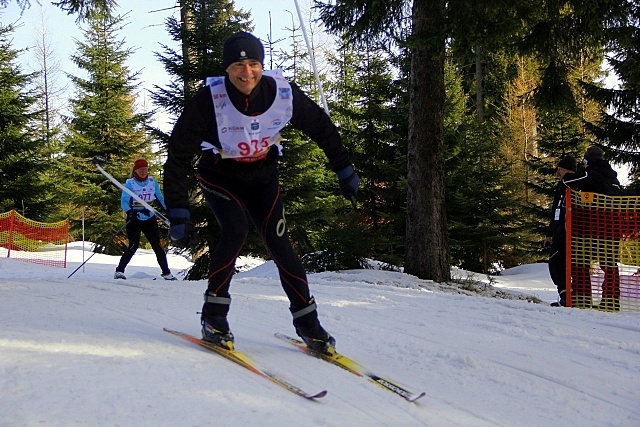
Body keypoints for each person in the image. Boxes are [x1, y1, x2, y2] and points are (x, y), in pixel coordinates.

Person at [163, 32, 359, 354]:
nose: (247, 72)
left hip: (262, 177)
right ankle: (214, 318)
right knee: (235, 230)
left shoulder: (280, 92)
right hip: (220, 176)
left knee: (281, 246)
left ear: (261, 65)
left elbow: (320, 126)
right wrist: (178, 210)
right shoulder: (207, 100)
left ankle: (309, 325)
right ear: (227, 68)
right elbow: (179, 155)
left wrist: (344, 168)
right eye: (238, 64)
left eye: (253, 63)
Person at [562, 146, 621, 311]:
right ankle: (611, 300)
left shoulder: (592, 174)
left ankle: (582, 298)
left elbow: (570, 181)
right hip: (613, 229)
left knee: (581, 261)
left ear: (589, 160)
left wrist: (565, 174)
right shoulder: (614, 180)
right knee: (609, 264)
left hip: (593, 229)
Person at [114, 158, 177, 281]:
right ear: (136, 170)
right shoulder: (130, 183)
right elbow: (124, 201)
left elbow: (159, 198)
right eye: (141, 169)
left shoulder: (152, 182)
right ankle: (119, 271)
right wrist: (129, 212)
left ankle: (166, 273)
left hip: (149, 218)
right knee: (133, 245)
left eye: (145, 169)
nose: (143, 171)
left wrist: (167, 211)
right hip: (135, 219)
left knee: (157, 246)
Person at [546, 155, 577, 307]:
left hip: (568, 231)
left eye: (560, 168)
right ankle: (565, 295)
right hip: (558, 230)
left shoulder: (573, 183)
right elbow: (554, 210)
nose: (558, 171)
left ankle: (569, 296)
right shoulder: (561, 186)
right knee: (557, 263)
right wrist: (549, 232)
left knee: (558, 263)